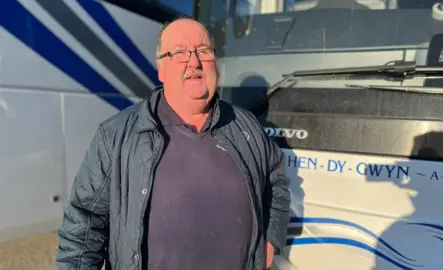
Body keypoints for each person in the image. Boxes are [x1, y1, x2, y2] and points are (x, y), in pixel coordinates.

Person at [55, 17, 291, 270]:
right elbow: (83, 224)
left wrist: (270, 241)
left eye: (204, 51)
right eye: (179, 52)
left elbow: (276, 186)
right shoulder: (116, 135)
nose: (194, 62)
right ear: (161, 69)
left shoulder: (247, 127)